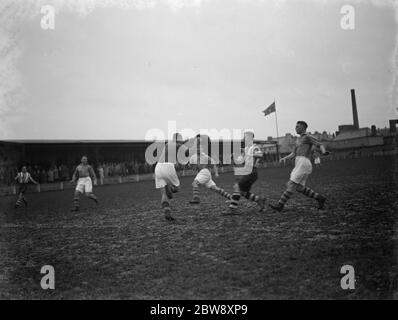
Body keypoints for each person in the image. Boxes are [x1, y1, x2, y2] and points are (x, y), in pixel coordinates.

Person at [269, 121, 329, 212]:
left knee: (291, 184)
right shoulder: (297, 140)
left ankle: (280, 205)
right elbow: (294, 153)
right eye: (295, 126)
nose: (295, 128)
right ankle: (320, 198)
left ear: (303, 127)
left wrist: (324, 152)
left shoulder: (308, 137)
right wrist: (284, 158)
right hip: (299, 163)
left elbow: (319, 144)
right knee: (299, 188)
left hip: (304, 162)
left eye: (298, 126)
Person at [154, 133, 197, 221]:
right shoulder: (179, 145)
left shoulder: (167, 144)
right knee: (177, 189)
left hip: (158, 167)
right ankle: (169, 188)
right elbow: (188, 152)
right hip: (168, 166)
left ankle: (167, 212)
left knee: (163, 194)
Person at [228, 130, 266, 211]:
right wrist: (233, 158)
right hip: (248, 172)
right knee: (243, 192)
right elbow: (240, 160)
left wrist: (249, 154)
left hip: (252, 172)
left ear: (250, 138)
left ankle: (232, 209)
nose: (243, 139)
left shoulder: (254, 147)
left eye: (245, 137)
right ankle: (259, 199)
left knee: (237, 187)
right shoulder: (245, 149)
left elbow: (260, 154)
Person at [188, 134, 232, 204]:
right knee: (215, 188)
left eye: (200, 148)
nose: (198, 149)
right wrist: (191, 166)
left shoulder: (205, 156)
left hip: (205, 172)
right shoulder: (193, 157)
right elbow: (192, 167)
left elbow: (214, 164)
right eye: (197, 148)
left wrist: (216, 173)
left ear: (202, 149)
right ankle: (231, 197)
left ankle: (196, 198)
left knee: (195, 183)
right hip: (203, 173)